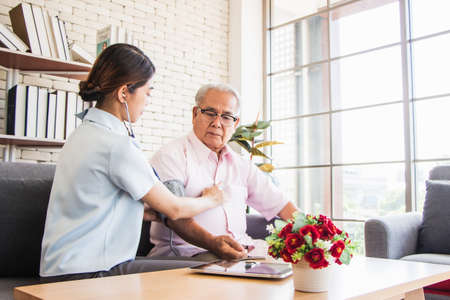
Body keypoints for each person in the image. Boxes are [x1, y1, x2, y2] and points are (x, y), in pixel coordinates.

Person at [39, 44, 224, 282]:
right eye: (148, 92)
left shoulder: (81, 135)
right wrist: (212, 199)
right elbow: (175, 209)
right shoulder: (116, 145)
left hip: (60, 270)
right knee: (207, 276)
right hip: (91, 274)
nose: (148, 101)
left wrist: (147, 213)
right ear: (124, 92)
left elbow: (94, 205)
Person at [148, 83, 298, 261]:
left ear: (235, 123)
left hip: (241, 253)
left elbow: (282, 206)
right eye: (210, 113)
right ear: (195, 114)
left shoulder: (242, 166)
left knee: (292, 269)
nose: (217, 123)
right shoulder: (171, 156)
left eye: (226, 116)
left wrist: (319, 233)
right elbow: (174, 215)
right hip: (189, 256)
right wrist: (214, 244)